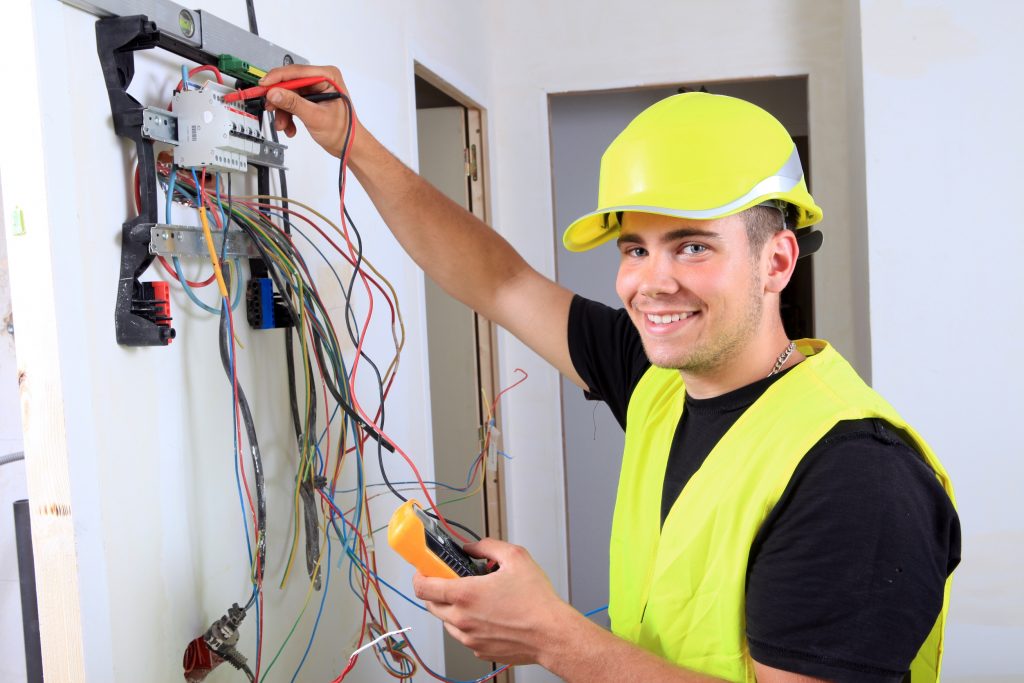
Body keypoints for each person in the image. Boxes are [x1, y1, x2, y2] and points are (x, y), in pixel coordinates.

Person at [260, 64, 960, 683]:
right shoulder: (658, 379)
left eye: (692, 246)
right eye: (635, 249)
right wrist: (353, 142)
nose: (651, 284)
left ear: (776, 261)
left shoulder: (856, 472)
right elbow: (500, 281)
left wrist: (551, 636)